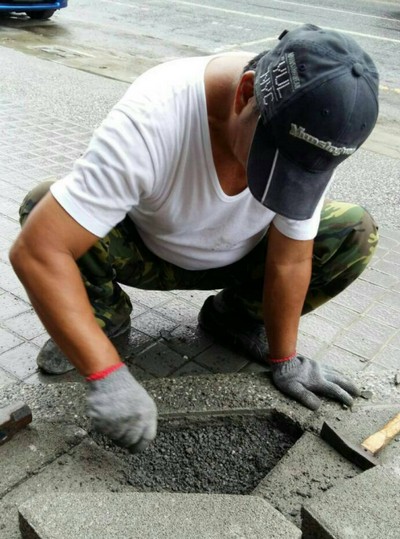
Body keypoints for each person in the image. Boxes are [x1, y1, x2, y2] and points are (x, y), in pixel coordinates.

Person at [10, 24, 379, 453]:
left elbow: (291, 259)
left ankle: (235, 319)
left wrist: (285, 358)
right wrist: (103, 370)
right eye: (269, 162)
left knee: (354, 229)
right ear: (246, 93)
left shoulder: (314, 131)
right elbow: (39, 252)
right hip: (146, 251)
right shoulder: (156, 112)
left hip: (238, 258)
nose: (270, 184)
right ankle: (102, 324)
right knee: (45, 209)